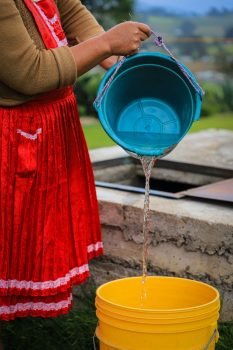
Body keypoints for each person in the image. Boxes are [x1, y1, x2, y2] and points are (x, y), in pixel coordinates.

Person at [0, 0, 151, 325]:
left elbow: (68, 9)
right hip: (12, 139)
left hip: (46, 129)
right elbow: (31, 73)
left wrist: (113, 59)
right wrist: (107, 43)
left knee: (25, 246)